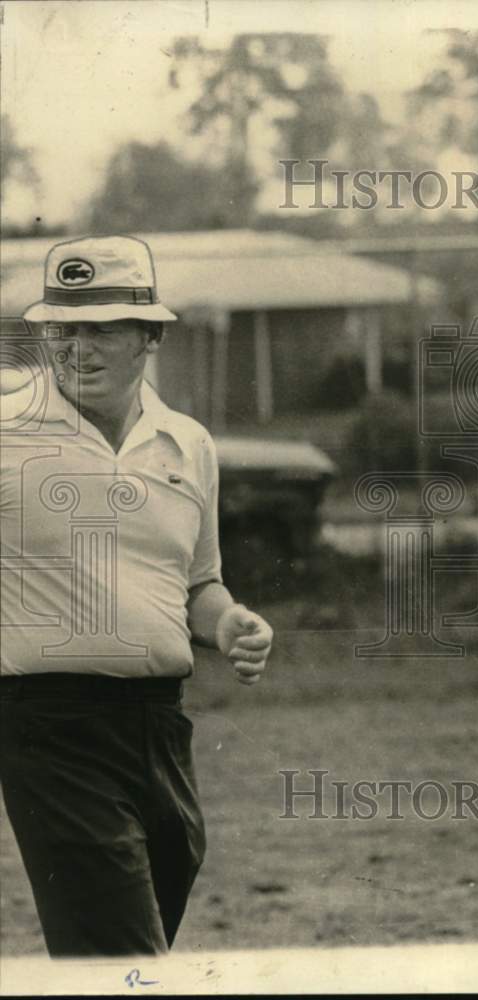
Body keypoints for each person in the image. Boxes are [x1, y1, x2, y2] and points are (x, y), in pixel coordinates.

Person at [0, 235, 274, 956]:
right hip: (48, 728)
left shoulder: (188, 443)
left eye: (100, 329)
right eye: (62, 330)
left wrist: (231, 622)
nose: (76, 349)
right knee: (122, 954)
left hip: (160, 728)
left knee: (124, 946)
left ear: (149, 334)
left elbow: (199, 585)